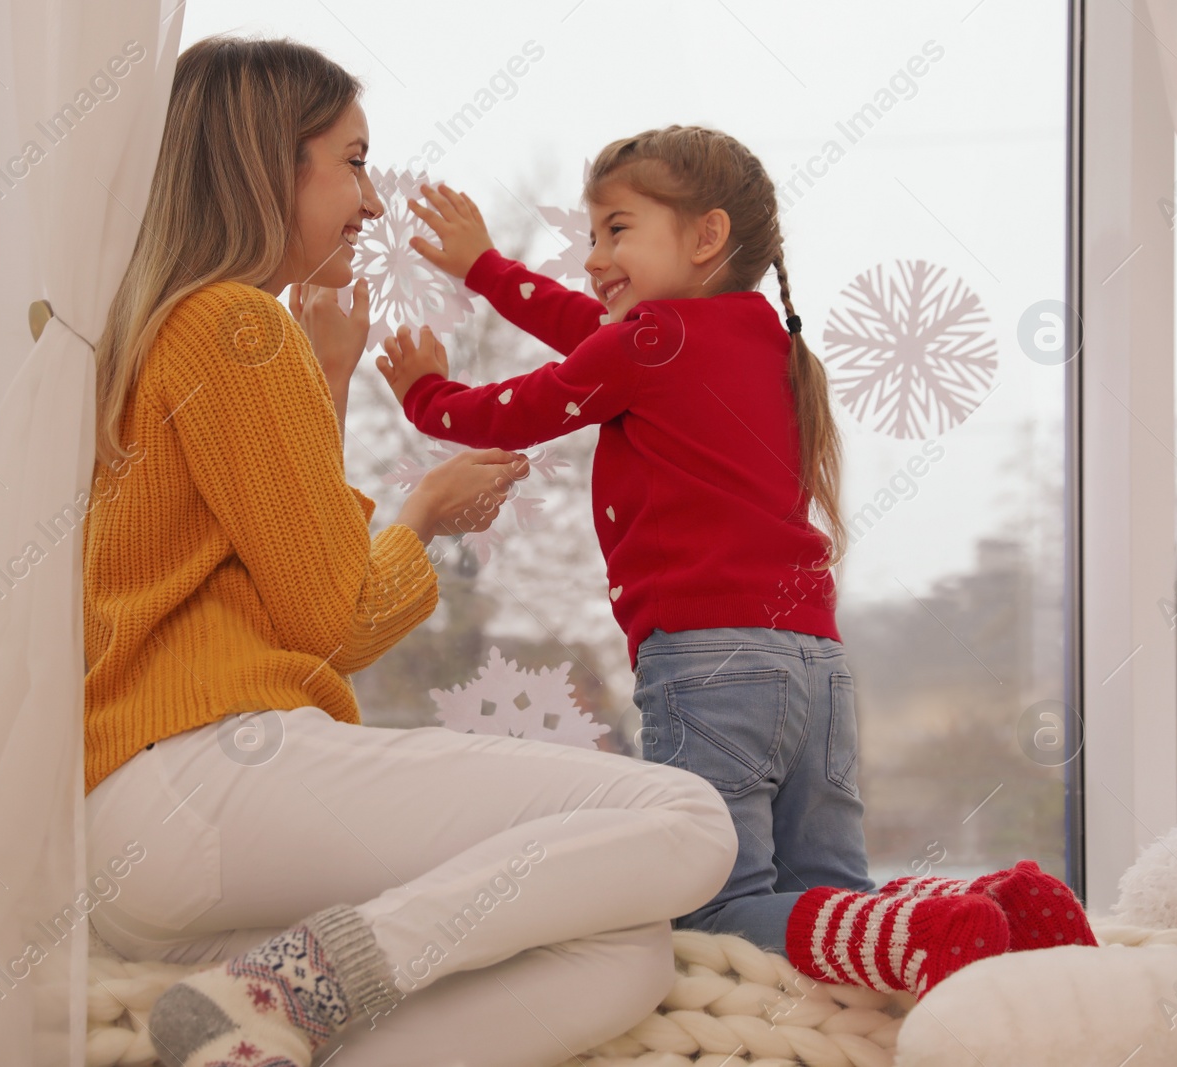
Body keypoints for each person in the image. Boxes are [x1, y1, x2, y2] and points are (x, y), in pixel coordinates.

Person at [80, 37, 742, 1067]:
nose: (373, 203)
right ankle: (303, 979)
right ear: (269, 160)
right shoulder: (233, 322)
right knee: (687, 816)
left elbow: (278, 554)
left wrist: (329, 380)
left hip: (148, 845)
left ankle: (257, 1026)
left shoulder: (168, 324)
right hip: (202, 774)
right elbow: (337, 622)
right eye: (351, 162)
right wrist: (424, 508)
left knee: (622, 953)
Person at [376, 128, 1098, 1000]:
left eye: (615, 229)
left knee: (711, 909)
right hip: (819, 670)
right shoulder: (765, 342)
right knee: (828, 894)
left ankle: (929, 922)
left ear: (706, 236)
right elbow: (591, 332)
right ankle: (997, 907)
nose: (594, 256)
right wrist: (486, 267)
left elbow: (512, 410)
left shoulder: (649, 345)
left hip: (709, 669)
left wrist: (424, 390)